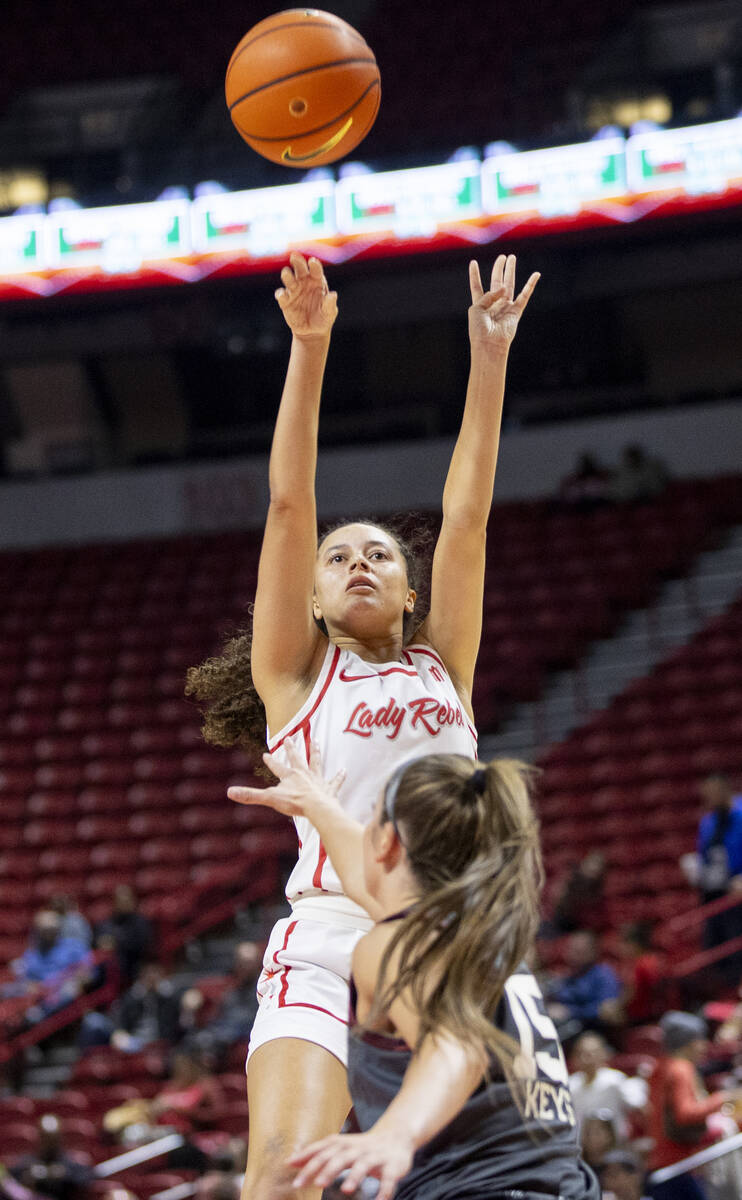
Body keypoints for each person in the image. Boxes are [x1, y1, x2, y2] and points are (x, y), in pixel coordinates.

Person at [187, 250, 539, 1200]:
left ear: (408, 586)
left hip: (441, 937)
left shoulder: (443, 664)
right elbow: (290, 501)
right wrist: (309, 345)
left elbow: (467, 517)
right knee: (282, 1179)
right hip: (330, 932)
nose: (358, 564)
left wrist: (490, 356)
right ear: (310, 593)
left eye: (379, 554)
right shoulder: (295, 675)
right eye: (338, 558)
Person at [230, 741, 599, 1200]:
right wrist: (318, 806)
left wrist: (397, 1133)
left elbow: (454, 1048)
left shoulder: (394, 946)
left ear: (384, 841)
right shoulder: (474, 937)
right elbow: (368, 877)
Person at [647, 1011, 742, 1200]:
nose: (704, 1046)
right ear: (689, 1042)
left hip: (660, 1158)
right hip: (681, 1162)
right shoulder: (681, 1069)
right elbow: (685, 1114)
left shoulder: (659, 1066)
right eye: (700, 1039)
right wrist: (721, 1098)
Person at [9, 910, 93, 1020]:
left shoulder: (74, 946)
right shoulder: (33, 953)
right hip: (40, 993)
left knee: (68, 990)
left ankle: (38, 1015)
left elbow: (87, 972)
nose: (48, 933)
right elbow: (27, 979)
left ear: (59, 929)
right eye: (44, 930)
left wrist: (75, 980)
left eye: (51, 929)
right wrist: (32, 986)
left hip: (63, 991)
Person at [695, 773, 742, 970]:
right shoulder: (708, 821)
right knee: (717, 946)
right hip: (714, 890)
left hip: (738, 891)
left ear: (725, 789)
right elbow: (703, 853)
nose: (709, 798)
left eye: (712, 793)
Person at [569, 1032, 647, 1140]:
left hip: (614, 1147)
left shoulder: (615, 1079)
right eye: (580, 1054)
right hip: (581, 1148)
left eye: (590, 1054)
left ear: (603, 1054)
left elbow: (639, 1105)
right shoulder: (570, 1084)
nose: (585, 1059)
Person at [546, 931, 623, 1039]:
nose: (572, 953)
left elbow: (606, 1011)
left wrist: (570, 1011)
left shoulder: (604, 975)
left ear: (593, 952)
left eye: (578, 950)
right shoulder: (570, 975)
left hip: (591, 1031)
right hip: (564, 1025)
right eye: (570, 948)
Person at [9, 1114, 93, 1200]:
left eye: (53, 1139)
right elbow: (9, 1183)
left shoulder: (71, 1163)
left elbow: (86, 1179)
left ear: (59, 1138)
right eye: (46, 1138)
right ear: (39, 1137)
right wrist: (27, 1177)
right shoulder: (26, 1163)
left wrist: (64, 1174)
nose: (49, 1143)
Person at [94, 884, 154, 985]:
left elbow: (142, 945)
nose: (123, 904)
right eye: (120, 901)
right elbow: (97, 942)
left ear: (133, 901)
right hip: (107, 970)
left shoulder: (140, 923)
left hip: (132, 967)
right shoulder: (106, 924)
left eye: (126, 901)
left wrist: (116, 943)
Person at [617, 923, 663, 1024]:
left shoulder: (641, 965)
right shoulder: (653, 959)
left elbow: (630, 994)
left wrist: (615, 1006)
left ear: (634, 944)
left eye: (623, 943)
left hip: (642, 1018)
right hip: (651, 1015)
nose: (619, 947)